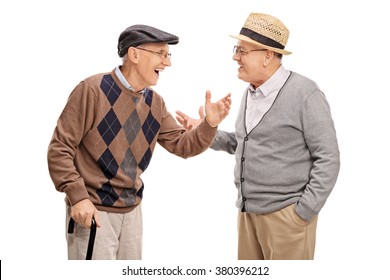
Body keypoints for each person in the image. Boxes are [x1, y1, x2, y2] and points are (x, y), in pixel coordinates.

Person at [47, 24, 232, 260]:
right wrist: (78, 196)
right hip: (93, 211)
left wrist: (210, 125)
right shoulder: (92, 90)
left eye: (168, 55)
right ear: (134, 54)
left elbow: (183, 145)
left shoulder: (155, 103)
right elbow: (59, 148)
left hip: (132, 212)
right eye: (161, 54)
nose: (168, 63)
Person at [175, 13, 340, 260]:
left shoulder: (306, 93)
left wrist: (303, 212)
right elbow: (242, 143)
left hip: (287, 219)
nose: (235, 57)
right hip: (247, 214)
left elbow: (328, 158)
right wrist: (205, 128)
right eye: (236, 49)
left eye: (242, 50)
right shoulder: (250, 93)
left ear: (267, 55)